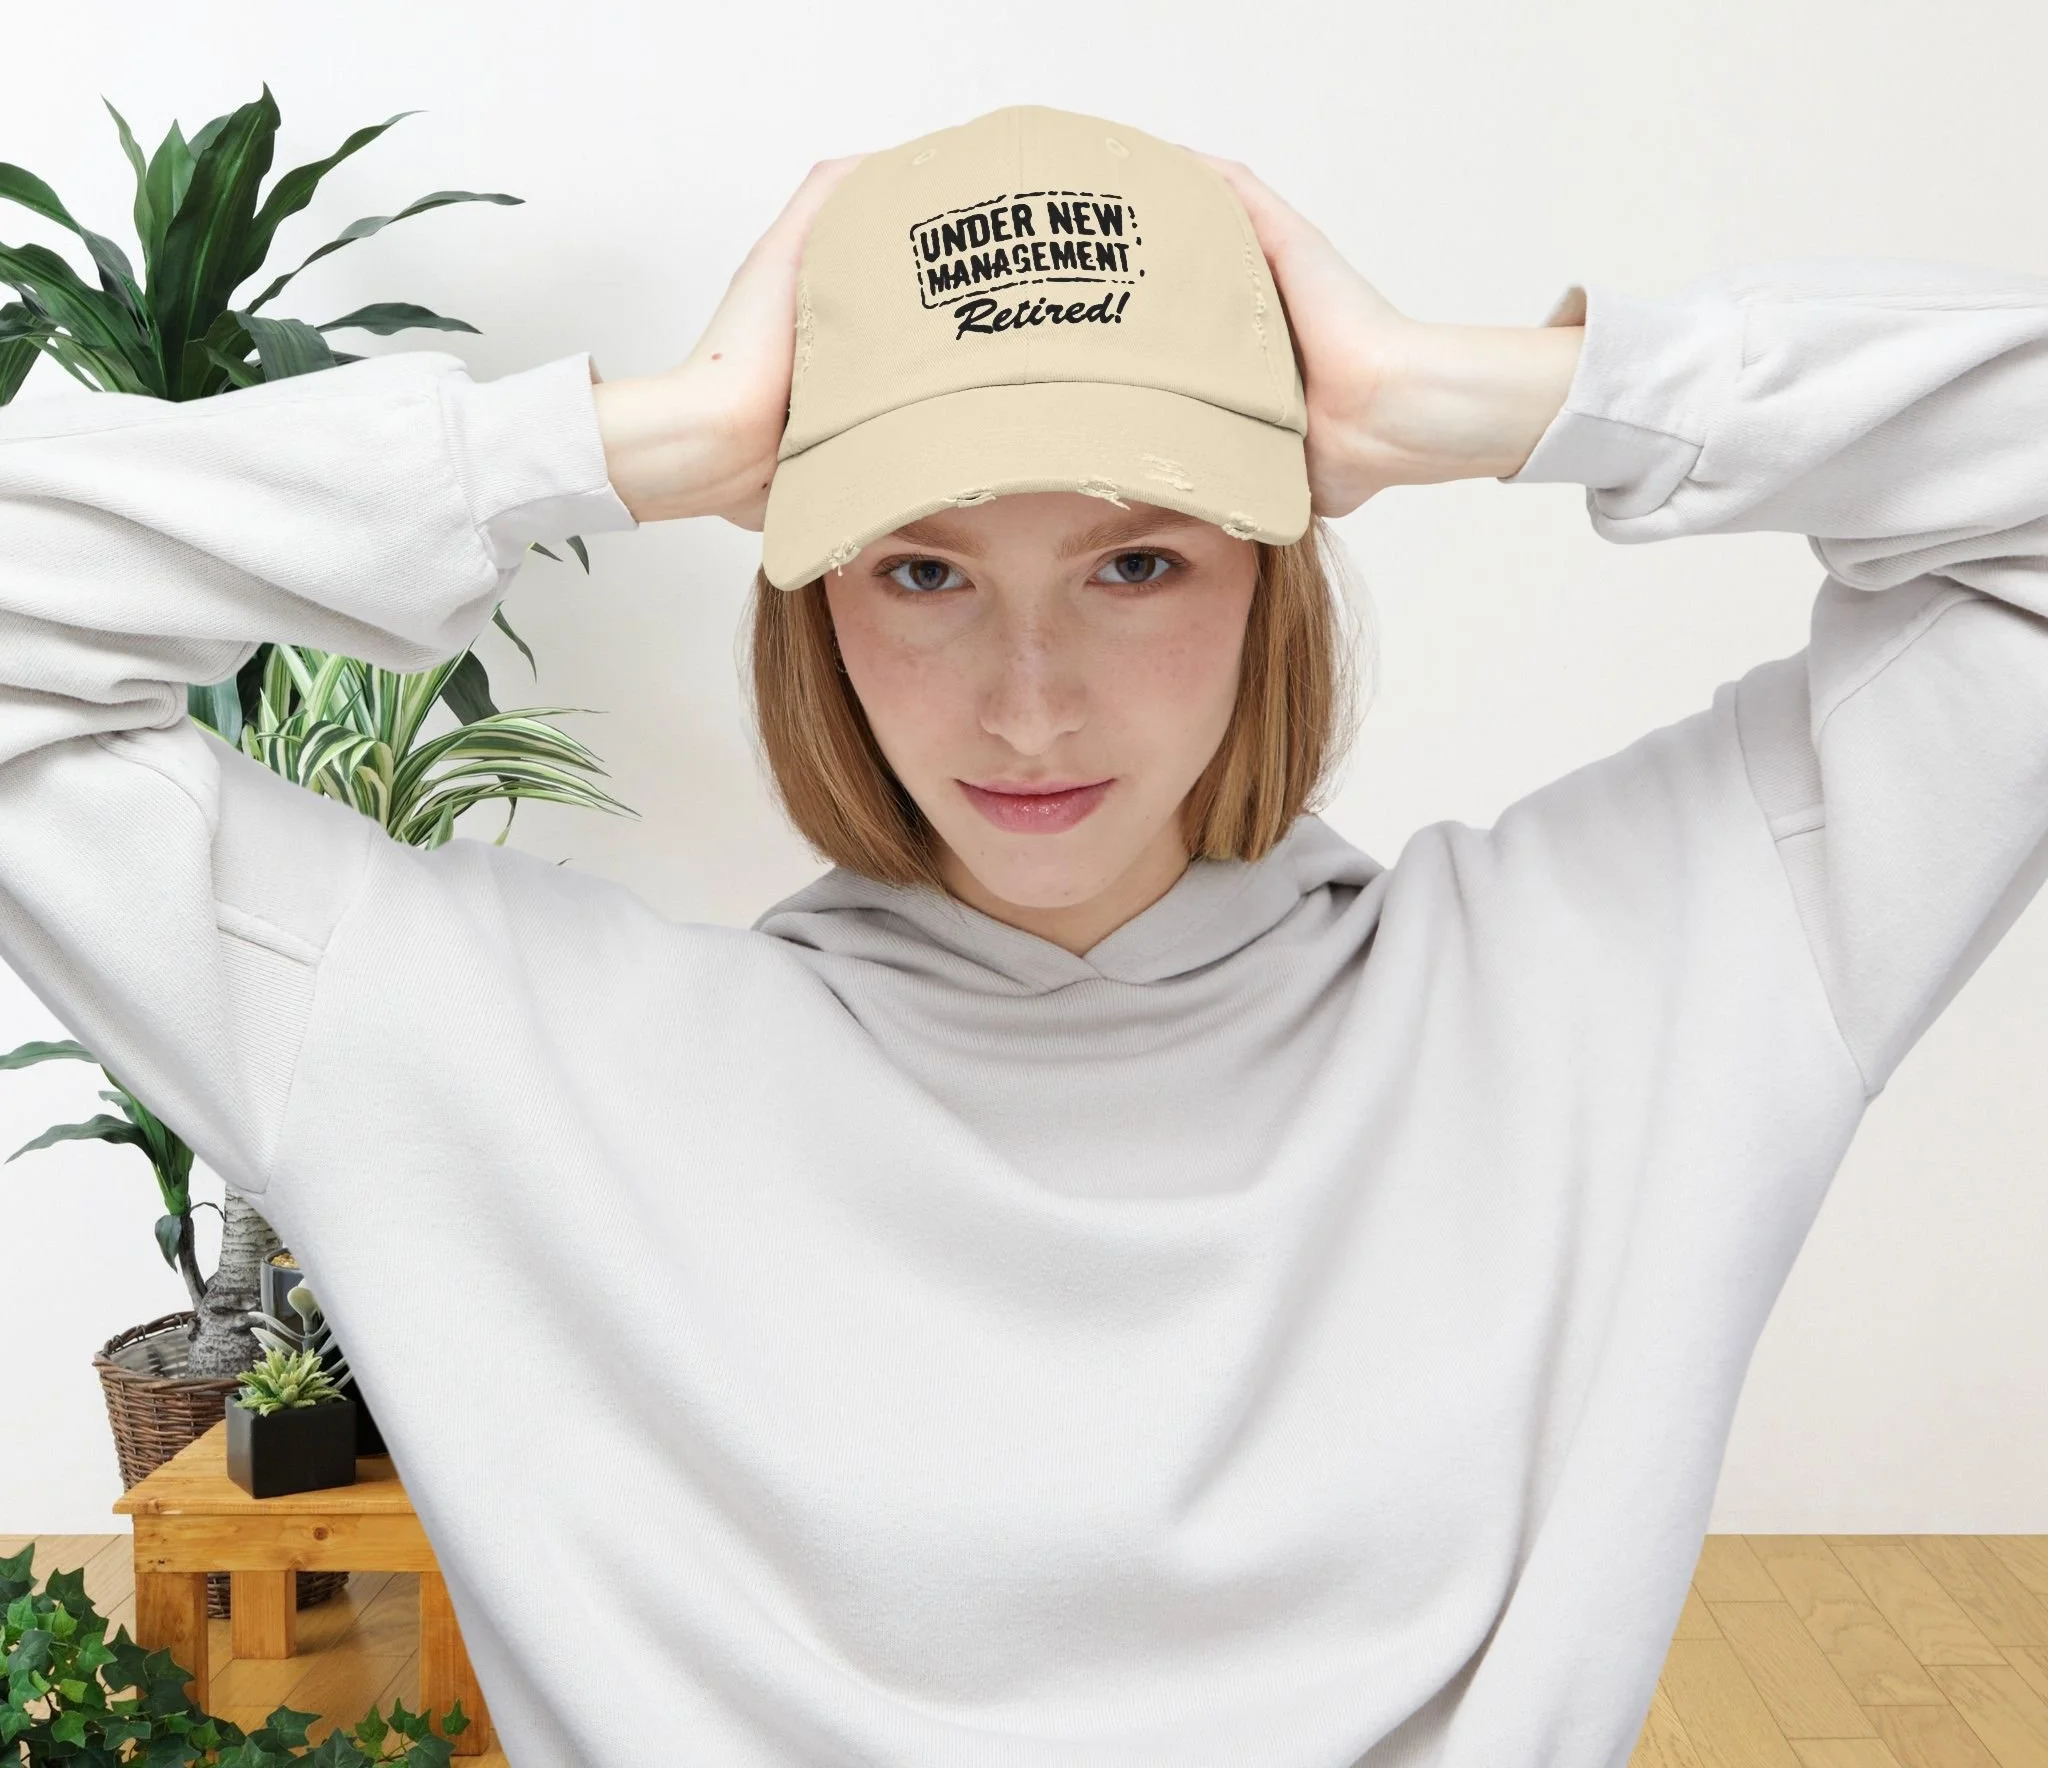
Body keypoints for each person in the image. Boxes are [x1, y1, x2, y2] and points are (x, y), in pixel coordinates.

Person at [2, 101, 2044, 1768]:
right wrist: (632, 440)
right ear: (804, 591)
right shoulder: (502, 1052)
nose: (1031, 703)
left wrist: (1468, 392)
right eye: (922, 571)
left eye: (1136, 562)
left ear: (1276, 570)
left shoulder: (1613, 984)